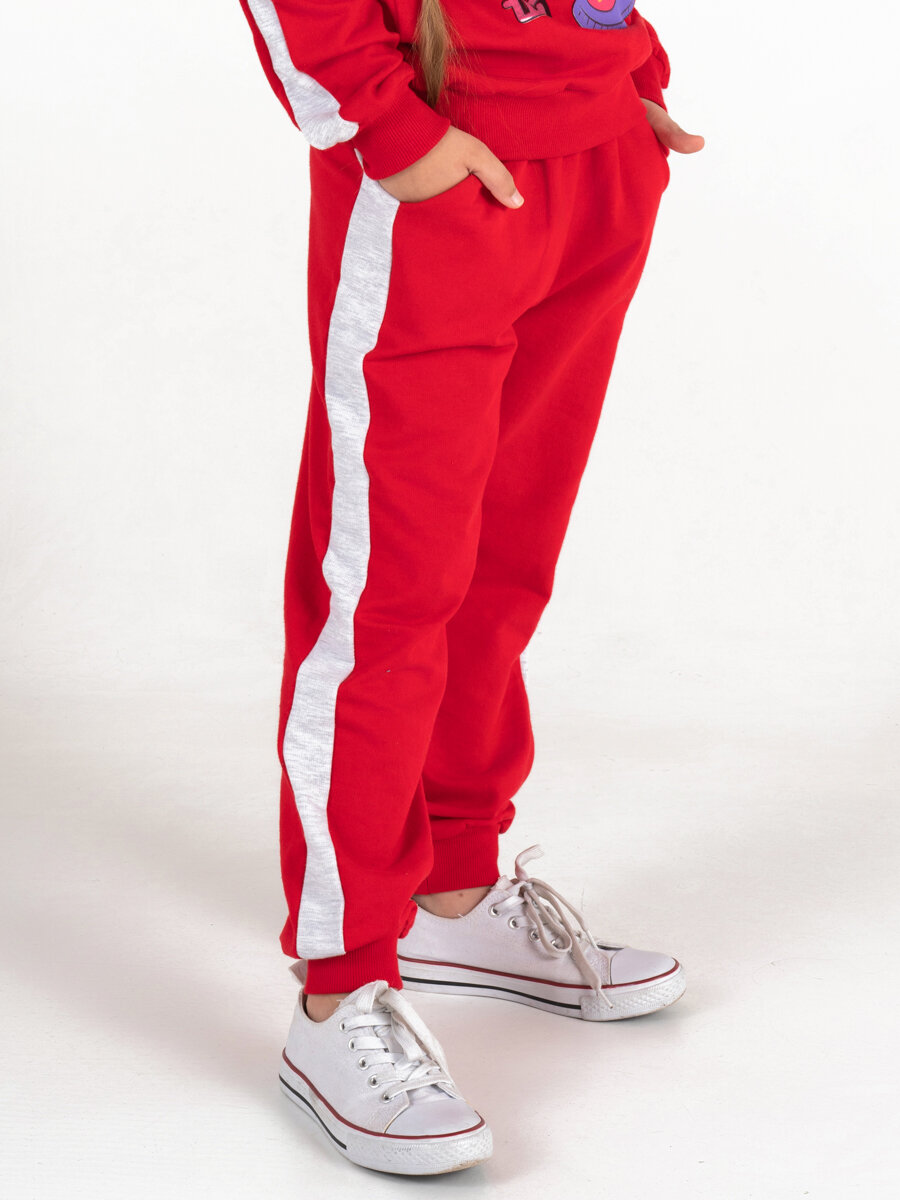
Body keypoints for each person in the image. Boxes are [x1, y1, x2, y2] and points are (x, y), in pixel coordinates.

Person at [237, 0, 704, 1175]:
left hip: (597, 155)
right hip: (439, 163)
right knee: (386, 593)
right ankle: (341, 986)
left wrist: (631, 73)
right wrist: (385, 128)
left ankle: (452, 888)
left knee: (503, 562)